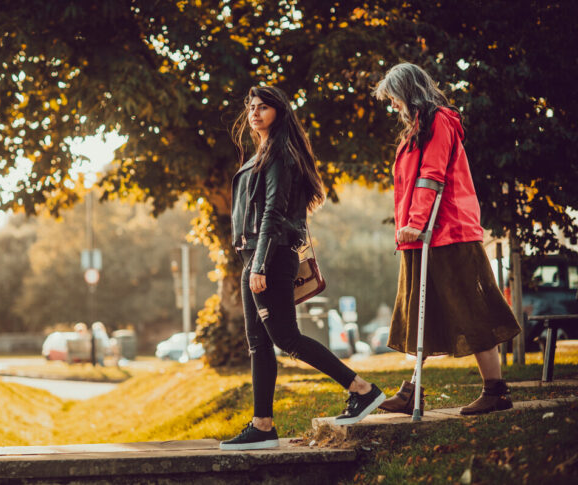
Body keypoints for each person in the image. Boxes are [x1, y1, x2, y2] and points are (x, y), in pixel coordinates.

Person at [219, 86, 385, 451]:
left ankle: (362, 389)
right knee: (258, 344)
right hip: (255, 258)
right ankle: (262, 426)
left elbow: (272, 213)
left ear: (279, 112)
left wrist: (260, 263)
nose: (256, 112)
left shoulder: (280, 154)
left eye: (264, 107)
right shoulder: (263, 152)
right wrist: (253, 262)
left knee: (286, 338)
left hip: (271, 256)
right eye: (252, 107)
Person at [372, 63, 521, 415]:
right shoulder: (416, 129)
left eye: (394, 96)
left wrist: (417, 223)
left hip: (446, 232)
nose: (392, 104)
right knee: (424, 313)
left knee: (471, 311)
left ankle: (496, 391)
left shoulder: (439, 121)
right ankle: (413, 391)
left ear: (407, 91)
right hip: (421, 236)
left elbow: (432, 176)